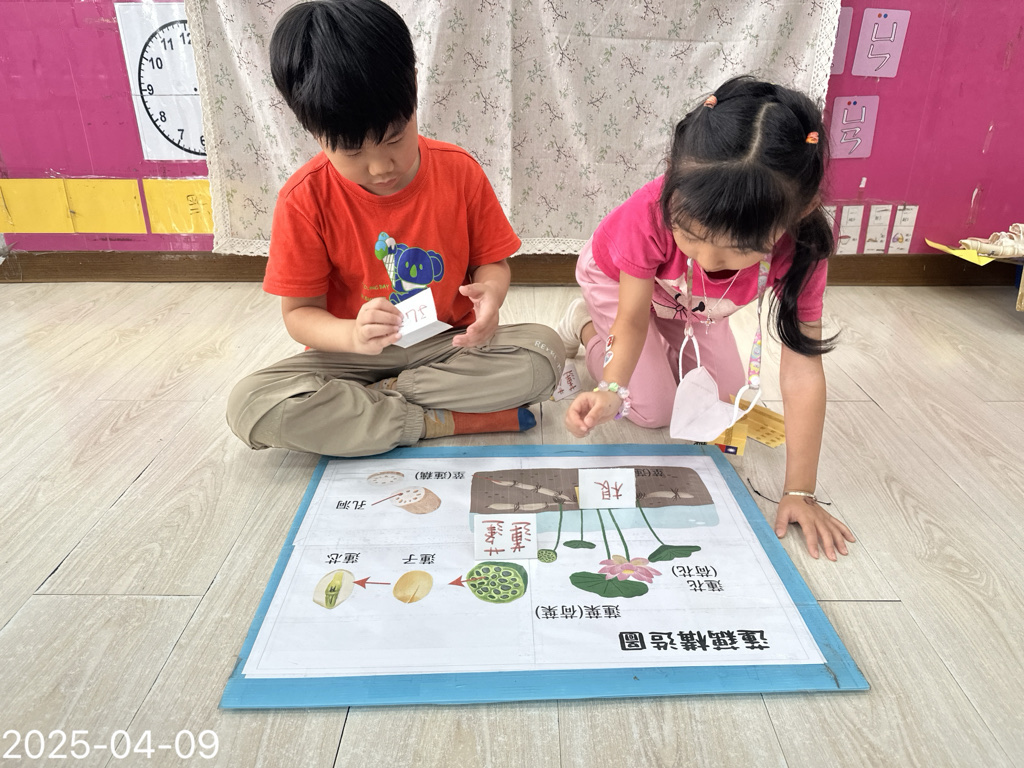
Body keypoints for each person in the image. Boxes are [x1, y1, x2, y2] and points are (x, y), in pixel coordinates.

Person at [226, 0, 564, 458]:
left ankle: (373, 409)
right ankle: (431, 420)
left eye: (395, 138)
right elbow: (299, 315)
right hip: (352, 358)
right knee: (249, 405)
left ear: (414, 91)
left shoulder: (459, 171)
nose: (380, 166)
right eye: (352, 152)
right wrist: (352, 336)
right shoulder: (303, 199)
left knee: (544, 354)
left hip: (445, 345)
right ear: (312, 130)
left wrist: (491, 294)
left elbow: (492, 264)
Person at [556, 76, 855, 560]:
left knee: (724, 402)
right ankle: (586, 325)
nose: (708, 258)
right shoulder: (647, 215)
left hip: (693, 305)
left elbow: (803, 368)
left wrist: (799, 490)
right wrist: (610, 388)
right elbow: (631, 320)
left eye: (738, 249)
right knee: (652, 409)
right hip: (623, 284)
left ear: (801, 212)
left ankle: (660, 337)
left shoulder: (804, 250)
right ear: (672, 175)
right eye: (690, 234)